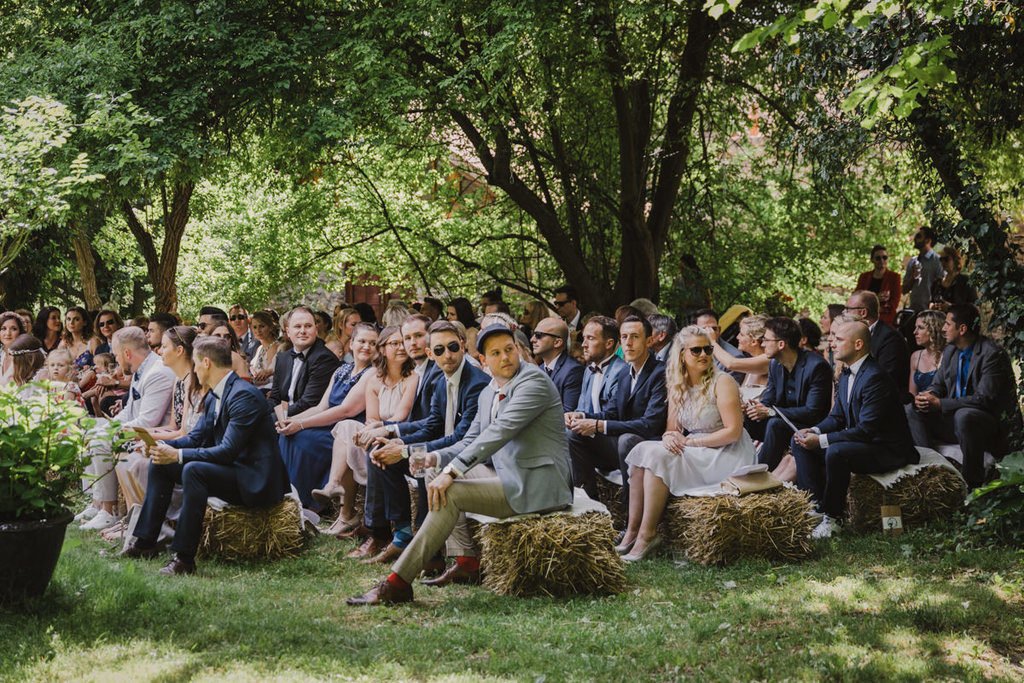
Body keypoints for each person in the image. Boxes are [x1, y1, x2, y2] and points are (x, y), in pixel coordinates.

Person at [346, 324, 572, 605]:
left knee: (449, 490)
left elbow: (496, 434)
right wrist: (434, 459)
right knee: (438, 474)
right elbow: (470, 439)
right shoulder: (490, 390)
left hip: (538, 486)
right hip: (508, 475)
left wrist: (452, 471)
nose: (505, 357)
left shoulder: (533, 382)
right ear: (484, 359)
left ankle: (399, 581)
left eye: (509, 349)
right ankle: (460, 561)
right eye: (496, 353)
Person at [121, 336, 290, 575]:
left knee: (194, 470)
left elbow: (228, 450)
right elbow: (197, 437)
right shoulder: (215, 394)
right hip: (231, 468)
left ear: (207, 363)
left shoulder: (244, 395)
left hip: (253, 479)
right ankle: (146, 542)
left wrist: (178, 454)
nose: (194, 369)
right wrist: (160, 446)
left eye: (196, 364)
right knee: (160, 464)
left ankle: (184, 558)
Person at [360, 320, 491, 574]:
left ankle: (429, 548)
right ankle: (402, 534)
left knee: (423, 460)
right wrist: (398, 443)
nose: (448, 355)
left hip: (471, 458)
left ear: (463, 346)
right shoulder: (441, 382)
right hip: (446, 450)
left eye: (453, 347)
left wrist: (410, 450)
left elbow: (462, 438)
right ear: (431, 354)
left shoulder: (477, 383)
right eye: (439, 350)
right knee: (383, 455)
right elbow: (432, 426)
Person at [619, 326, 756, 561]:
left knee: (658, 457)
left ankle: (647, 534)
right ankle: (632, 531)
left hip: (725, 452)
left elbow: (733, 432)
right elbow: (672, 429)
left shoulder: (723, 382)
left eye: (708, 349)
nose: (704, 354)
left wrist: (691, 442)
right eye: (696, 350)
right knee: (642, 450)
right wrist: (669, 437)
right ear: (682, 354)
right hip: (697, 447)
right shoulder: (677, 383)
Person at [790, 320, 919, 539]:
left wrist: (822, 441)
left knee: (837, 452)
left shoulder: (875, 377)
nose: (833, 344)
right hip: (865, 442)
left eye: (839, 340)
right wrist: (813, 430)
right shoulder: (847, 373)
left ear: (858, 344)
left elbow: (866, 430)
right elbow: (837, 417)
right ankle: (816, 506)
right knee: (800, 441)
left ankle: (833, 519)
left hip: (887, 449)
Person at [907, 304, 1023, 488]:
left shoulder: (992, 354)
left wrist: (941, 404)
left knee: (965, 415)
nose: (943, 328)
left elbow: (984, 399)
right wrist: (928, 396)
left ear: (962, 329)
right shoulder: (952, 351)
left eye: (947, 323)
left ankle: (972, 482)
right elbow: (938, 384)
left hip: (988, 425)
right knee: (911, 410)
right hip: (956, 420)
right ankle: (929, 469)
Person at [279, 323, 378, 533]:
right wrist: (291, 420)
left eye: (373, 343)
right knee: (287, 435)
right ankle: (288, 499)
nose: (366, 347)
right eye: (362, 341)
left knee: (303, 438)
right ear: (351, 343)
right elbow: (321, 406)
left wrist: (301, 425)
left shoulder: (372, 373)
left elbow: (345, 411)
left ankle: (310, 504)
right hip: (326, 423)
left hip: (348, 430)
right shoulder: (342, 370)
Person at [78, 326, 177, 531]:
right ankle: (97, 502)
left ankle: (109, 510)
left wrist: (110, 432)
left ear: (127, 353)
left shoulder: (157, 372)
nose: (116, 360)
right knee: (93, 430)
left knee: (101, 440)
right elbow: (129, 411)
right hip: (138, 427)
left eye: (115, 355)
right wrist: (109, 426)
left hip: (155, 434)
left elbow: (147, 421)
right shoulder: (140, 370)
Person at [567, 315, 667, 512]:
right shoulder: (624, 373)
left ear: (649, 341)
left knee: (626, 440)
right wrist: (581, 416)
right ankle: (591, 507)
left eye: (634, 337)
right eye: (624, 337)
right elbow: (612, 413)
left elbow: (650, 425)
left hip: (651, 444)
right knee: (573, 435)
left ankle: (630, 517)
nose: (628, 343)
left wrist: (598, 426)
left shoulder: (660, 373)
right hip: (621, 444)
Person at [111, 325, 203, 540]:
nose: (159, 351)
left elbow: (183, 432)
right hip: (178, 438)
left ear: (179, 351)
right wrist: (139, 432)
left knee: (138, 461)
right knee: (126, 454)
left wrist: (147, 437)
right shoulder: (179, 381)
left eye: (164, 346)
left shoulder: (192, 382)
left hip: (190, 446)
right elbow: (172, 426)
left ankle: (158, 525)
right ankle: (134, 520)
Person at [340, 325, 418, 559]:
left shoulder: (413, 377)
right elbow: (372, 417)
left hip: (405, 433)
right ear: (382, 349)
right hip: (383, 434)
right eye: (394, 343)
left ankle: (378, 530)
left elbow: (401, 416)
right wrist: (370, 430)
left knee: (377, 448)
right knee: (373, 446)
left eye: (402, 342)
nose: (401, 347)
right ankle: (382, 530)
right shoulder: (374, 379)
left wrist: (376, 432)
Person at [744, 317, 832, 470]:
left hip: (810, 426)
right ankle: (740, 465)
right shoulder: (774, 364)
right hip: (781, 421)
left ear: (781, 344)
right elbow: (769, 399)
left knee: (775, 424)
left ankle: (759, 473)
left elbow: (812, 412)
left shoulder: (817, 366)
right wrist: (755, 408)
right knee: (745, 417)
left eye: (766, 339)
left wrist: (770, 412)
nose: (763, 343)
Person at [268, 306, 340, 417]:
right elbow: (275, 398)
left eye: (308, 326)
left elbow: (308, 403)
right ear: (288, 332)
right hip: (284, 415)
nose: (302, 331)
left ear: (315, 330)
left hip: (308, 419)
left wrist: (274, 417)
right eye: (297, 326)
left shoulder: (324, 359)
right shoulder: (282, 358)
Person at [845, 290, 909, 401]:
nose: (844, 314)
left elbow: (885, 379)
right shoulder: (855, 335)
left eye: (848, 310)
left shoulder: (890, 339)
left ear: (863, 313)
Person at [573, 316, 626, 415]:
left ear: (609, 344)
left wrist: (583, 417)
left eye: (590, 338)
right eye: (584, 338)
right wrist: (574, 416)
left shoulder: (622, 371)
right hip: (587, 427)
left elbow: (613, 414)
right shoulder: (589, 369)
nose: (583, 344)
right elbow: (581, 407)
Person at [530, 317, 584, 412]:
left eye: (538, 335)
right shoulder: (540, 369)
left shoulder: (573, 370)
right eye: (533, 334)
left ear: (557, 342)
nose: (532, 339)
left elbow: (568, 412)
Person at [711, 314, 770, 398]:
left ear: (754, 341)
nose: (737, 337)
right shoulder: (751, 360)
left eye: (742, 334)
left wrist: (712, 342)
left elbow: (731, 364)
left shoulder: (769, 360)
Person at [856, 245, 902, 326]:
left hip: (885, 319)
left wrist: (872, 309)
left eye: (884, 257)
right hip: (864, 318)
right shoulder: (864, 277)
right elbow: (857, 298)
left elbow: (894, 303)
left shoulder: (894, 277)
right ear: (872, 260)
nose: (881, 260)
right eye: (878, 258)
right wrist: (876, 298)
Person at [902, 226, 944, 313]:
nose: (915, 239)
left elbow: (943, 287)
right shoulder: (913, 261)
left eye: (919, 236)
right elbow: (904, 290)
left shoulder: (938, 261)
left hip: (930, 312)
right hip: (912, 310)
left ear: (928, 240)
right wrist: (913, 277)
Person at [908, 310, 945, 395]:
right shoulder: (915, 356)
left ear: (934, 330)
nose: (915, 332)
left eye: (920, 328)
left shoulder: (947, 355)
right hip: (917, 405)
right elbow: (912, 394)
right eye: (915, 327)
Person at [930, 245, 977, 311]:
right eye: (941, 259)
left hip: (958, 320)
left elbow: (973, 307)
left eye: (946, 259)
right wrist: (932, 306)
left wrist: (951, 307)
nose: (943, 262)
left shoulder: (965, 281)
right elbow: (931, 301)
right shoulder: (937, 283)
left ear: (955, 260)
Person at [60, 306, 99, 372]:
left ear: (85, 322)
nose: (71, 323)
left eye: (76, 319)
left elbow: (100, 367)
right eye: (68, 319)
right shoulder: (64, 343)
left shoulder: (93, 341)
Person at [248, 311, 280, 392]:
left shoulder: (279, 347)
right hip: (256, 389)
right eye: (254, 327)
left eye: (262, 326)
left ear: (270, 327)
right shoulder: (259, 348)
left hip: (271, 391)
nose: (258, 330)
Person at [0, 311, 28, 386]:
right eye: (3, 328)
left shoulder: (26, 357)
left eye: (13, 329)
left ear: (20, 332)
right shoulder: (1, 355)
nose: (8, 333)